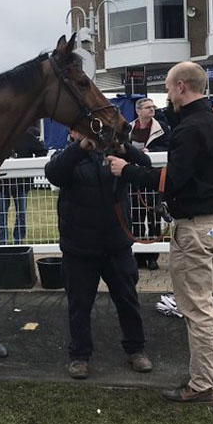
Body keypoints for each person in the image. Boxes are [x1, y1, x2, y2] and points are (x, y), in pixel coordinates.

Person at [107, 61, 213, 404]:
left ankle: (202, 384)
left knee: (195, 308)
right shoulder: (211, 121)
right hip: (211, 224)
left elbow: (171, 179)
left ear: (180, 87)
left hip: (193, 228)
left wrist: (125, 170)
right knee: (205, 301)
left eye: (167, 89)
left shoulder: (190, 127)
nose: (165, 97)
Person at [44, 129, 153, 380]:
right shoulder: (66, 156)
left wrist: (125, 149)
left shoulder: (117, 152)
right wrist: (80, 148)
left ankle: (136, 349)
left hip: (116, 244)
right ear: (72, 132)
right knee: (79, 305)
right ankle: (79, 355)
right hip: (79, 247)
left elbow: (146, 165)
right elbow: (53, 174)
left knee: (128, 301)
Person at [129, 97, 170, 269]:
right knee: (137, 218)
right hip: (134, 179)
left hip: (153, 177)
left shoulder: (162, 128)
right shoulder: (129, 129)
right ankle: (138, 255)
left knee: (154, 217)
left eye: (152, 107)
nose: (151, 109)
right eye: (147, 107)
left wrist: (151, 151)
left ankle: (153, 257)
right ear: (138, 111)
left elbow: (168, 146)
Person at [0, 125, 47, 245]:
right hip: (3, 183)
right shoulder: (1, 136)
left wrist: (31, 166)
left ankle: (18, 240)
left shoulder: (27, 137)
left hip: (20, 184)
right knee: (1, 213)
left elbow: (42, 151)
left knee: (21, 213)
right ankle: (2, 240)